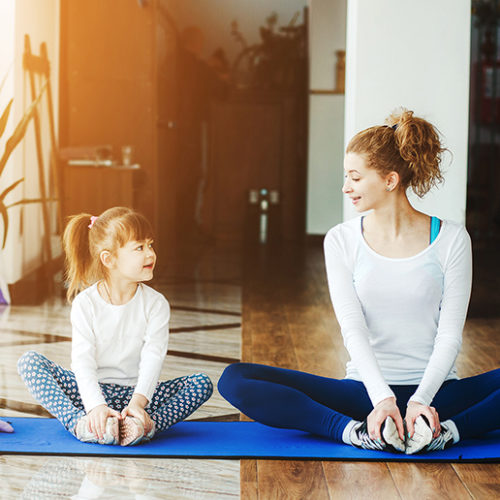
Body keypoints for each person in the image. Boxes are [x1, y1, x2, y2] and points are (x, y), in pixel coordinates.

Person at [218, 109, 500, 454]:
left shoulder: (452, 238)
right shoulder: (340, 240)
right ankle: (355, 432)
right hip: (364, 393)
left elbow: (450, 334)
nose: (345, 187)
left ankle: (445, 432)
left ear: (390, 181)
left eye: (354, 177)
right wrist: (382, 399)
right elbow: (353, 329)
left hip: (439, 395)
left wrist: (420, 400)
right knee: (234, 378)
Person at [17, 207, 213, 446]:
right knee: (29, 362)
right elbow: (82, 360)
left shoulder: (156, 304)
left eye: (150, 245)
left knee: (201, 383)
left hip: (137, 394)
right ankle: (83, 423)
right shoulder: (85, 303)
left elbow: (153, 357)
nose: (150, 253)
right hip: (91, 393)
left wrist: (138, 404)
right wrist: (96, 405)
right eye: (139, 248)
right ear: (108, 259)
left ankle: (141, 424)